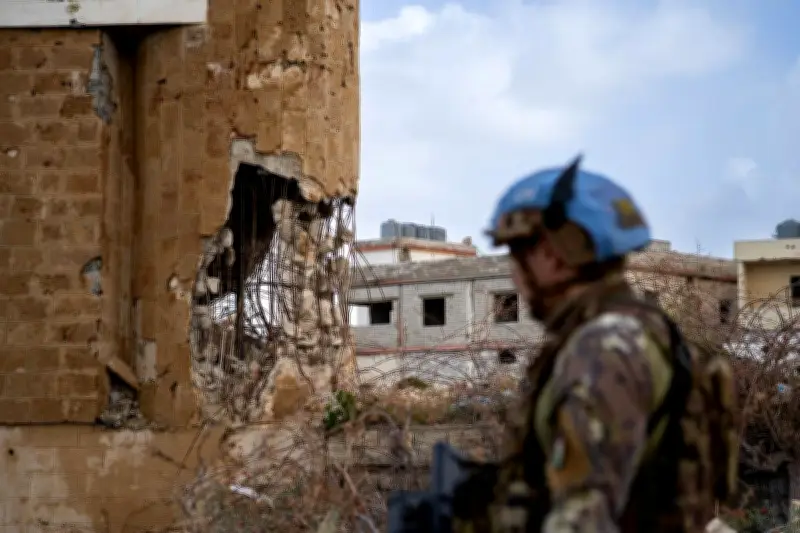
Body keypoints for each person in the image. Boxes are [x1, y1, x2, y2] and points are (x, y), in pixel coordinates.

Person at [451, 156, 738, 533]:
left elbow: (584, 519)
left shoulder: (604, 348)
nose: (515, 276)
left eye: (519, 255)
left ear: (554, 256)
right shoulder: (644, 332)